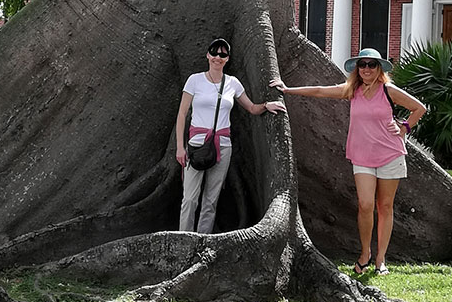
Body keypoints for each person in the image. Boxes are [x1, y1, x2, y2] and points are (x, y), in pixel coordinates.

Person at [271, 47, 426, 275]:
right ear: (356, 69)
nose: (366, 69)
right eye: (362, 65)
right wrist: (287, 89)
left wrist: (404, 127)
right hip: (362, 155)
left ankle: (380, 259)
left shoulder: (388, 90)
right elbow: (320, 91)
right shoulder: (352, 90)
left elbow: (419, 108)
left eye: (371, 65)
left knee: (384, 207)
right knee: (365, 205)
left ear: (379, 68)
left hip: (391, 154)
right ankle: (365, 253)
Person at [176, 38, 286, 233]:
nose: (218, 57)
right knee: (190, 198)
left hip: (223, 146)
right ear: (208, 55)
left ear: (227, 59)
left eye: (223, 54)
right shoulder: (195, 80)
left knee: (211, 199)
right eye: (214, 53)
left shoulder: (232, 83)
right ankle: (183, 238)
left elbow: (251, 107)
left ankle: (202, 239)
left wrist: (267, 105)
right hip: (196, 145)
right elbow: (182, 114)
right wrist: (179, 147)